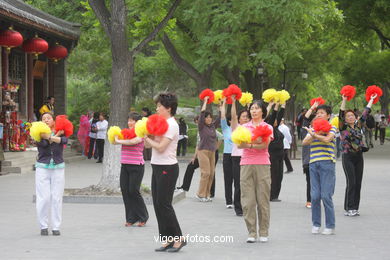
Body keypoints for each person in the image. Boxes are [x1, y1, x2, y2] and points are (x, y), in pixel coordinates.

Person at [144, 93, 186, 252]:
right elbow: (149, 147)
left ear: (168, 108)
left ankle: (179, 238)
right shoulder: (159, 123)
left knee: (165, 204)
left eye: (159, 106)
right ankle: (167, 239)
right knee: (157, 204)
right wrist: (146, 135)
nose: (157, 108)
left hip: (167, 168)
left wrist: (147, 139)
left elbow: (161, 147)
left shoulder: (172, 125)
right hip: (156, 166)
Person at [238, 99, 273, 243]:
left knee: (263, 200)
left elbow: (264, 145)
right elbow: (240, 145)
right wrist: (255, 143)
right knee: (248, 201)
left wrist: (250, 144)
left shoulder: (267, 127)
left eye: (257, 108)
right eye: (252, 108)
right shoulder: (244, 127)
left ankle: (263, 232)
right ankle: (251, 232)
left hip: (263, 164)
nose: (253, 111)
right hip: (246, 164)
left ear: (263, 111)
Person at [339, 94, 376, 217]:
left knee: (358, 182)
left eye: (352, 115)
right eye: (347, 116)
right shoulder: (343, 127)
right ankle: (348, 208)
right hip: (347, 156)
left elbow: (366, 113)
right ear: (345, 119)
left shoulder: (359, 125)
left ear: (355, 117)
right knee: (352, 182)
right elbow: (340, 112)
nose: (350, 117)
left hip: (359, 157)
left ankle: (355, 208)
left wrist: (371, 99)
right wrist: (344, 99)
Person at [302, 104, 337, 235]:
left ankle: (330, 225)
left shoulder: (333, 127)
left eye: (322, 113)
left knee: (326, 196)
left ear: (328, 116)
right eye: (317, 113)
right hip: (313, 164)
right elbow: (305, 142)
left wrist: (316, 135)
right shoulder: (312, 128)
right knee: (315, 196)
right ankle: (316, 224)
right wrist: (314, 133)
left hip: (327, 164)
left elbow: (328, 139)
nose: (319, 114)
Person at [113, 112, 149, 227]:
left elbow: (133, 141)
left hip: (137, 166)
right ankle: (131, 218)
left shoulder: (141, 132)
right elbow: (114, 141)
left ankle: (143, 216)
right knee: (125, 191)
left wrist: (119, 141)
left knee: (133, 191)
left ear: (137, 122)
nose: (129, 122)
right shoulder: (125, 133)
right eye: (128, 120)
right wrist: (115, 138)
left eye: (132, 120)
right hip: (125, 165)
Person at [35, 112, 67, 236]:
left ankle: (56, 227)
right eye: (44, 119)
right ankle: (43, 226)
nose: (46, 120)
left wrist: (55, 135)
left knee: (57, 198)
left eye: (49, 118)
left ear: (53, 121)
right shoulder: (37, 134)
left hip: (58, 168)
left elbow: (64, 140)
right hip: (42, 168)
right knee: (44, 198)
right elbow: (44, 144)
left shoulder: (62, 131)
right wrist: (56, 136)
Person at [196, 96, 220, 202]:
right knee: (205, 173)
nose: (209, 119)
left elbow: (219, 119)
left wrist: (221, 106)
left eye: (210, 117)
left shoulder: (213, 126)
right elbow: (201, 114)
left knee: (211, 173)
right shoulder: (201, 126)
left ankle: (207, 194)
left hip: (212, 152)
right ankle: (200, 194)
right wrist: (205, 101)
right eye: (207, 117)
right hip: (203, 151)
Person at [230, 98, 250, 216]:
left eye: (247, 117)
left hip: (248, 158)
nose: (246, 118)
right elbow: (233, 116)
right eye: (243, 116)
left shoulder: (251, 128)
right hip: (237, 158)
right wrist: (233, 102)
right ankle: (238, 207)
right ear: (239, 118)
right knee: (238, 183)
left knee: (247, 183)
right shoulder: (235, 127)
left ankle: (247, 205)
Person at [266, 101, 285, 202]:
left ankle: (276, 195)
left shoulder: (277, 129)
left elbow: (279, 116)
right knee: (273, 175)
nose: (277, 121)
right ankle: (271, 195)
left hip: (280, 155)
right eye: (275, 120)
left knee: (280, 176)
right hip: (272, 155)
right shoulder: (269, 128)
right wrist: (276, 106)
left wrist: (283, 105)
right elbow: (274, 116)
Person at [220, 99, 234, 208]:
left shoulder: (239, 129)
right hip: (227, 156)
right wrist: (224, 103)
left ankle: (238, 200)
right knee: (228, 179)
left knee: (238, 180)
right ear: (229, 121)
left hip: (238, 156)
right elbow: (223, 116)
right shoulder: (226, 128)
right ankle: (229, 201)